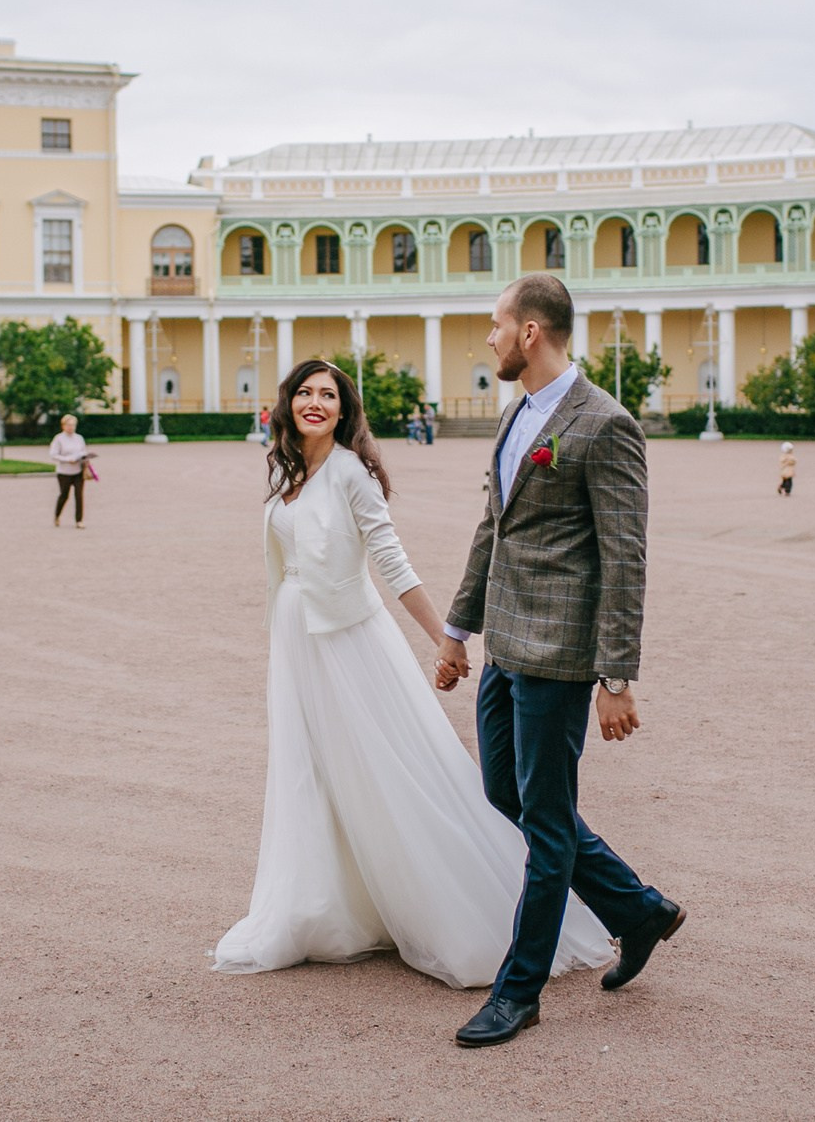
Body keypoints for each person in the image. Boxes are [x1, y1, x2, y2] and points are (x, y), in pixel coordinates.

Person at [213, 359, 614, 992]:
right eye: (306, 393)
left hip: (348, 644)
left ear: (344, 411)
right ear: (288, 403)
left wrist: (446, 641)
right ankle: (325, 906)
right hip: (297, 642)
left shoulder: (351, 473)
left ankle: (465, 913)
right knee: (309, 770)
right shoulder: (287, 470)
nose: (315, 403)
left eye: (329, 395)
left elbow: (392, 562)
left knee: (386, 769)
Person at [435, 273, 682, 1049]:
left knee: (545, 825)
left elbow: (625, 558)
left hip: (562, 656)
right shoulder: (518, 414)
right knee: (504, 791)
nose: (490, 337)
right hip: (506, 646)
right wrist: (456, 628)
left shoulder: (604, 424)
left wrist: (616, 676)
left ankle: (520, 991)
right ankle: (638, 909)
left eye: (497, 324)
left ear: (531, 332)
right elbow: (493, 529)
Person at [46, 414, 91, 528]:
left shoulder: (79, 438)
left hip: (78, 471)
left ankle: (79, 520)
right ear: (63, 426)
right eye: (69, 425)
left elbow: (83, 451)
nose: (71, 427)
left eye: (73, 425)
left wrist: (85, 458)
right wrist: (67, 459)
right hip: (64, 472)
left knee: (79, 496)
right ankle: (57, 515)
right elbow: (53, 454)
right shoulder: (59, 438)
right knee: (64, 495)